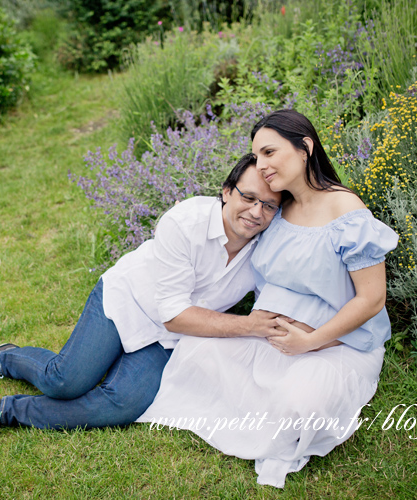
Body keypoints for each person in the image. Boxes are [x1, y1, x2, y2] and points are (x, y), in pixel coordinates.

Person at [0, 153, 289, 460]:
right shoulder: (185, 222)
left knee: (123, 404)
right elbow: (174, 313)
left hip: (170, 337)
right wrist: (249, 325)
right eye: (248, 197)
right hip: (129, 300)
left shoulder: (267, 249)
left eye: (269, 205)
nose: (257, 212)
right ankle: (4, 357)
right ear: (228, 190)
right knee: (64, 382)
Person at [137, 109, 399, 488]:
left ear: (305, 147)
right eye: (257, 156)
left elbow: (373, 299)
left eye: (269, 152)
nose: (261, 165)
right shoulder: (278, 208)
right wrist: (187, 217)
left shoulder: (347, 212)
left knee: (300, 403)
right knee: (196, 351)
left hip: (334, 343)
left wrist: (311, 340)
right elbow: (236, 221)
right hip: (269, 336)